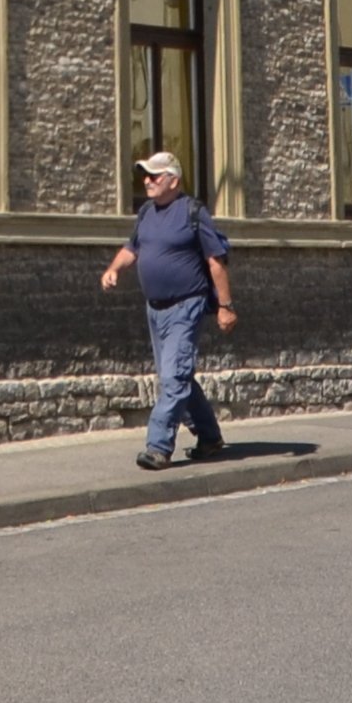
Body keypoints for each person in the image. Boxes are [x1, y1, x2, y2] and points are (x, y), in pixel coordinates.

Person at [99, 149, 235, 468]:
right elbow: (132, 248)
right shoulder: (147, 212)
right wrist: (114, 269)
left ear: (172, 180)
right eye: (144, 175)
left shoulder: (192, 211)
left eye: (154, 175)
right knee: (176, 375)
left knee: (174, 376)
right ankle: (210, 436)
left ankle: (158, 447)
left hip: (186, 305)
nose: (146, 181)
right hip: (155, 309)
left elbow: (216, 262)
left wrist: (226, 306)